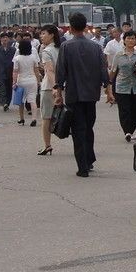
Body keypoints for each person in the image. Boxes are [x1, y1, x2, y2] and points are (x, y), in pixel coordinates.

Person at [53, 12, 114, 177]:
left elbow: (61, 73)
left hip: (74, 94)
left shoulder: (66, 47)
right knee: (88, 127)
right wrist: (108, 92)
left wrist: (58, 94)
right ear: (86, 27)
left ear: (71, 28)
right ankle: (89, 159)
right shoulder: (96, 47)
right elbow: (104, 71)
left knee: (78, 129)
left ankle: (83, 166)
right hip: (91, 95)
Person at [111, 31, 136, 142]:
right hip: (122, 87)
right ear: (124, 40)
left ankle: (130, 130)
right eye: (128, 38)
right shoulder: (119, 55)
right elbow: (113, 71)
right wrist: (108, 87)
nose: (130, 41)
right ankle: (127, 131)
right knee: (124, 110)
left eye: (133, 38)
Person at [37, 25, 61, 156]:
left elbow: (49, 71)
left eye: (43, 33)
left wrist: (54, 87)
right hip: (65, 86)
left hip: (49, 88)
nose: (41, 36)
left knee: (46, 117)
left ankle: (47, 145)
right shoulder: (62, 48)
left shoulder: (46, 51)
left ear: (52, 35)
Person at [12, 38, 40, 126]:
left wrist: (14, 82)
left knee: (21, 101)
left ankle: (22, 119)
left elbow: (15, 71)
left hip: (21, 80)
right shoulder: (33, 57)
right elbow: (36, 70)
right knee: (32, 100)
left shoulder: (17, 58)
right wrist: (38, 81)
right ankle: (34, 119)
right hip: (32, 80)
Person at [0, 33, 16, 112]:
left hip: (11, 71)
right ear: (1, 39)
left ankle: (7, 103)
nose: (5, 39)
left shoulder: (13, 49)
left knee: (9, 88)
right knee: (2, 88)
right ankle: (3, 103)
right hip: (0, 71)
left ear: (8, 39)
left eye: (6, 38)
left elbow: (16, 62)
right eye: (3, 38)